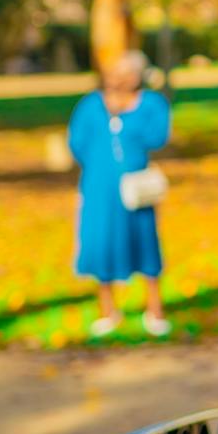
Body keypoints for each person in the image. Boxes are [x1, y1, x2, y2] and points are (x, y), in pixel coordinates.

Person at [68, 50, 172, 338]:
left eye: (125, 74)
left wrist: (126, 118)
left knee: (145, 241)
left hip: (137, 187)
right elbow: (76, 142)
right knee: (100, 242)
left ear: (138, 77)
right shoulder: (91, 105)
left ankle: (155, 309)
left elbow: (158, 137)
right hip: (98, 187)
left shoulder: (151, 103)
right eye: (113, 73)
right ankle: (108, 309)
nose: (116, 79)